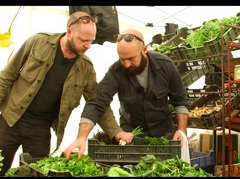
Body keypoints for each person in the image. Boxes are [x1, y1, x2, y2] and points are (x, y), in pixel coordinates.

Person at [0, 11, 133, 177]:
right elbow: (9, 72)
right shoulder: (38, 42)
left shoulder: (86, 68)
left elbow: (97, 104)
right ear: (69, 32)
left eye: (91, 41)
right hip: (11, 120)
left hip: (40, 130)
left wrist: (116, 131)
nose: (88, 45)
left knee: (38, 173)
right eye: (83, 40)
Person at [64, 29, 190, 160]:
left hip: (164, 133)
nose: (126, 64)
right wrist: (81, 137)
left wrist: (181, 130)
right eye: (122, 59)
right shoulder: (116, 71)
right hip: (131, 136)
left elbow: (180, 100)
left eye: (131, 58)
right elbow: (96, 103)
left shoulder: (165, 65)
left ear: (144, 50)